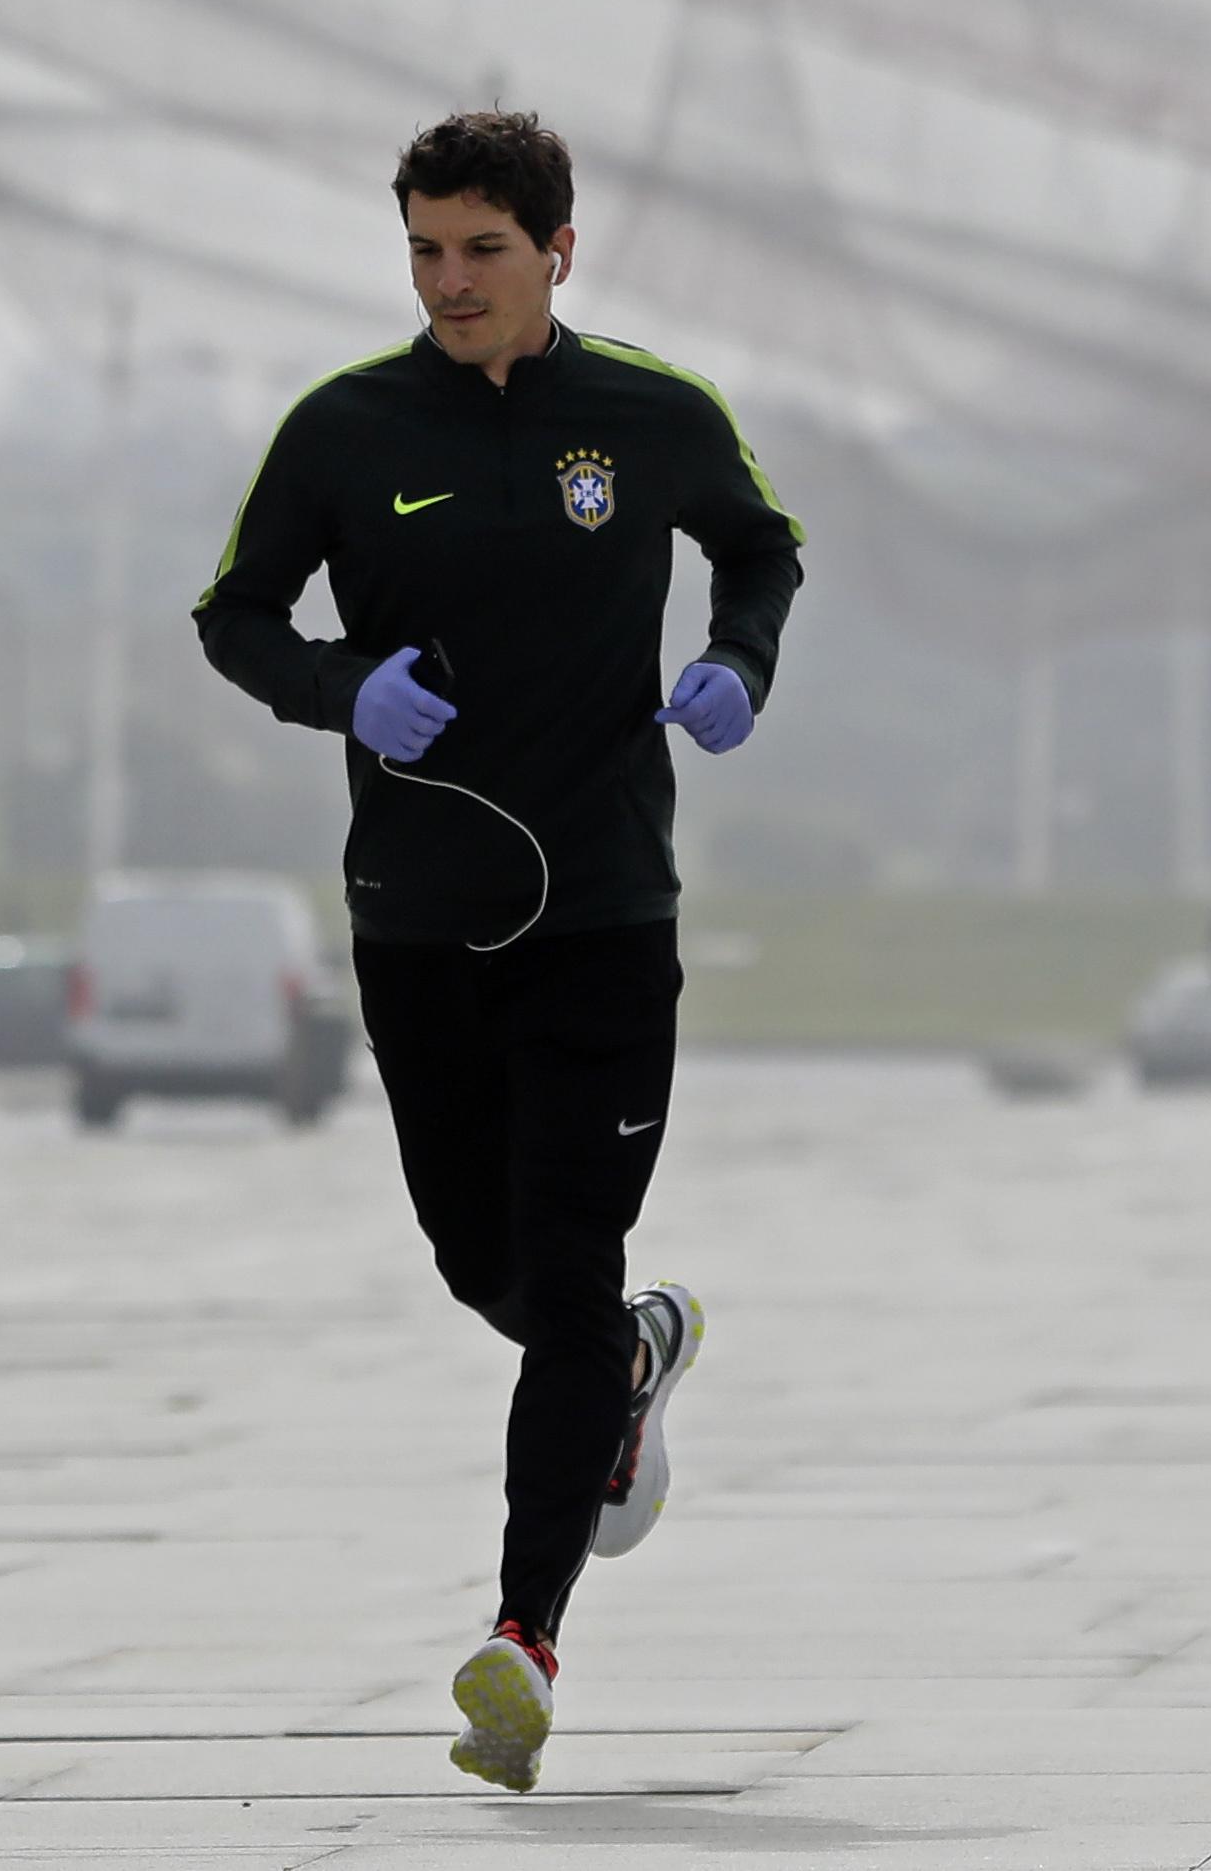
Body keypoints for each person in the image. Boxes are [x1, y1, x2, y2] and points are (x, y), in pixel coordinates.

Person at [193, 110, 803, 1794]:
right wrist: (340, 684)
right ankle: (623, 1355)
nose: (448, 279)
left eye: (480, 247)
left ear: (555, 249)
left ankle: (520, 1638)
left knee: (569, 1259)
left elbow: (760, 543)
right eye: (422, 248)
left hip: (606, 904)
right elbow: (234, 611)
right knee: (488, 1262)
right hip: (419, 910)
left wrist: (738, 656)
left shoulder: (649, 416)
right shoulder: (342, 428)